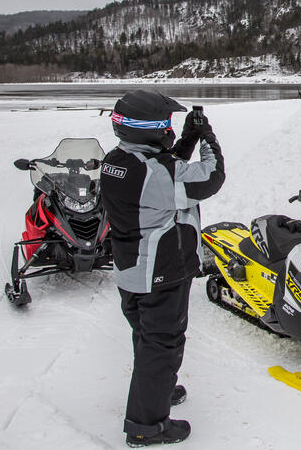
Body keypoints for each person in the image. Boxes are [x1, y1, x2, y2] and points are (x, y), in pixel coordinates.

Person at [100, 90, 225, 447]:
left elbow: (165, 167)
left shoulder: (118, 160)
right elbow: (210, 177)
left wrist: (187, 137)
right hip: (162, 271)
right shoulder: (156, 173)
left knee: (147, 337)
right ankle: (146, 425)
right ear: (148, 129)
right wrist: (208, 138)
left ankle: (155, 390)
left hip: (132, 268)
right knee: (162, 344)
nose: (169, 131)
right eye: (166, 125)